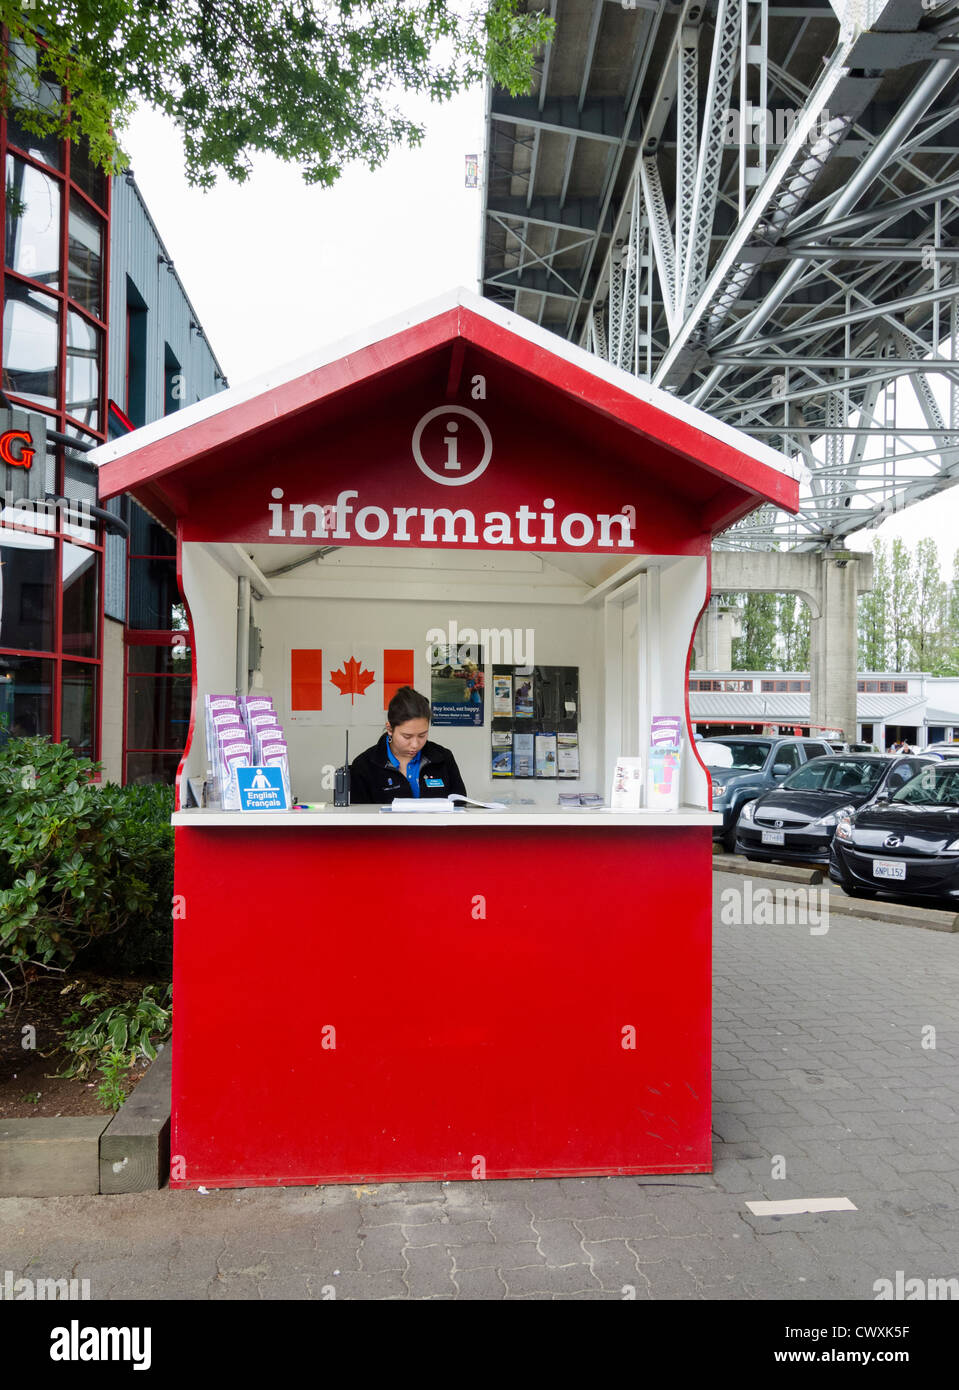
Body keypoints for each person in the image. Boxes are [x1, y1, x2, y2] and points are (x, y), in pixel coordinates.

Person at [349, 685, 467, 804]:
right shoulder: (364, 765)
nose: (415, 744)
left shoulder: (443, 758)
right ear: (390, 728)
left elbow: (460, 804)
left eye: (422, 735)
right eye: (407, 736)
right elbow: (359, 817)